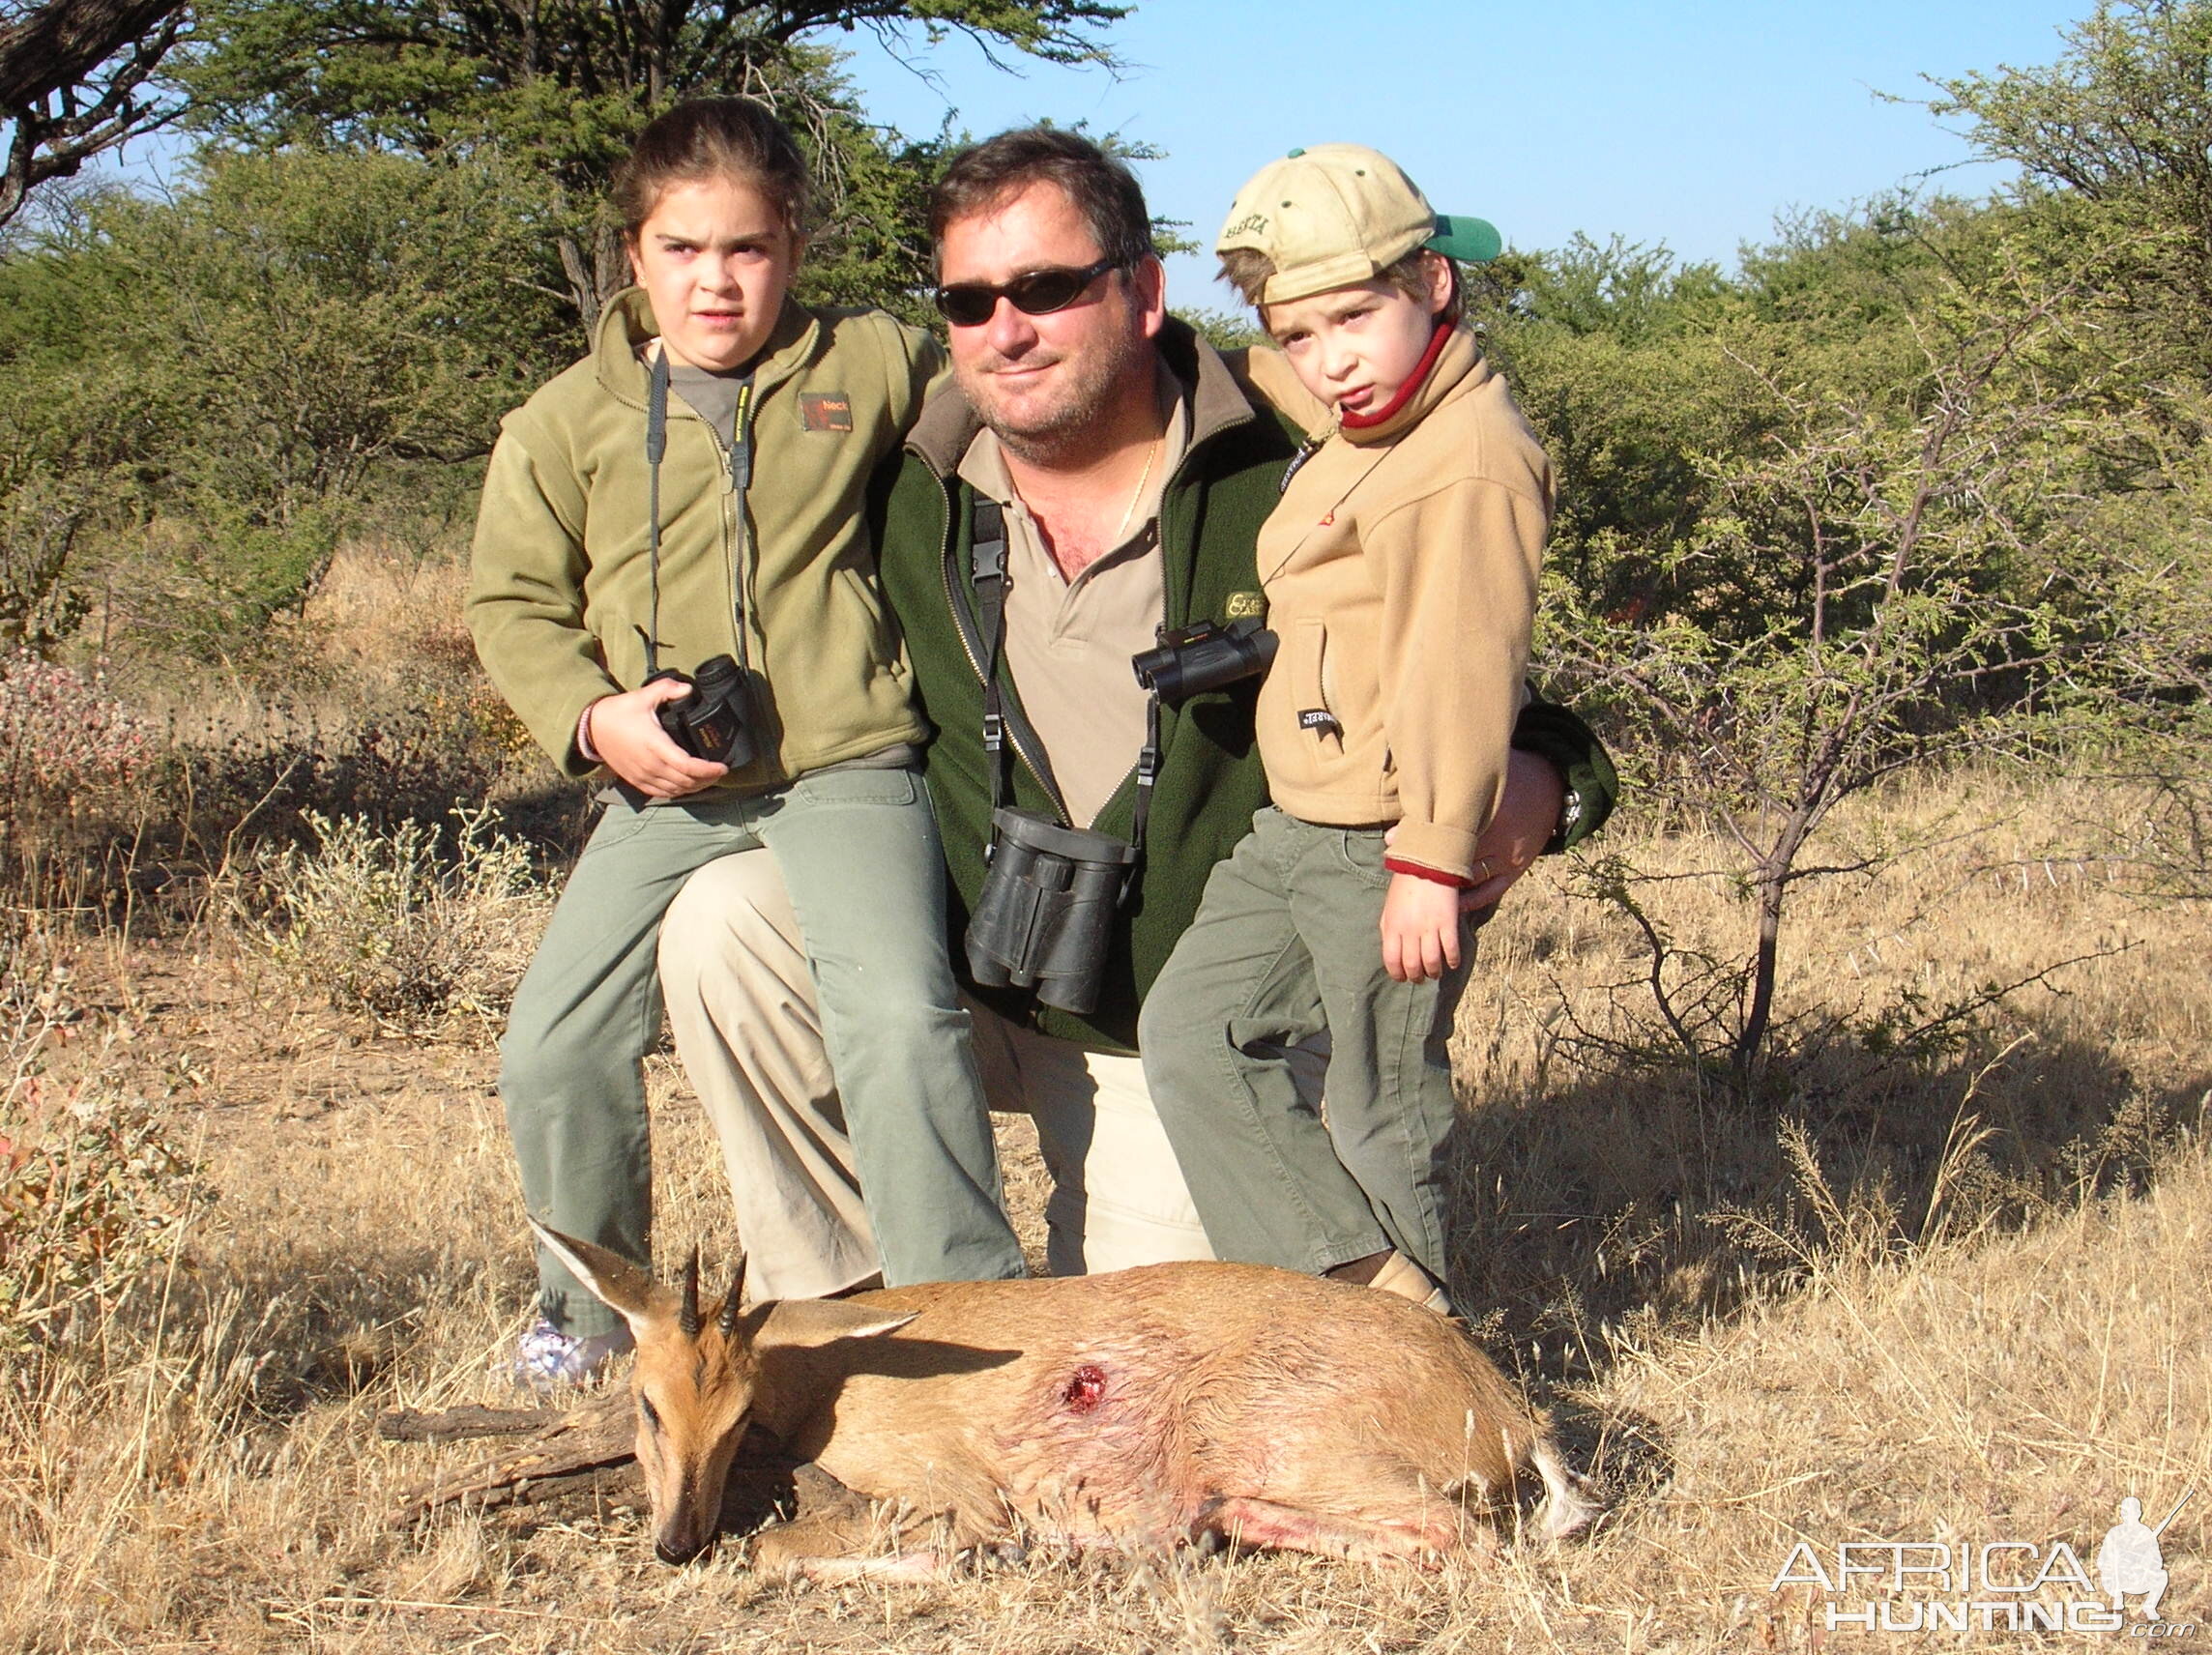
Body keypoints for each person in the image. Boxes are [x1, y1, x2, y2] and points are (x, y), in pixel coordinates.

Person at [655, 129, 1615, 1301]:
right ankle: (845, 1324)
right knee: (724, 923)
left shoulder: (1295, 452)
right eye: (966, 300)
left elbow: (1471, 654)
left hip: (1168, 1007)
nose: (1005, 328)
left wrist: (1548, 780)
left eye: (1048, 288)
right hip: (963, 963)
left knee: (1166, 1364)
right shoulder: (901, 480)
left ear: (1143, 292)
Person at [465, 97, 1022, 1388]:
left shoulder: (869, 362)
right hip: (664, 783)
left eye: (748, 249)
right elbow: (513, 603)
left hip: (845, 766)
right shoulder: (564, 420)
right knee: (553, 1046)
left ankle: (970, 1311)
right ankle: (586, 1316)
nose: (716, 281)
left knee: (895, 1014)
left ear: (794, 248)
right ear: (633, 255)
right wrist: (597, 720)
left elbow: (1015, 364)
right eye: (683, 250)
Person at [1141, 144, 1547, 1315]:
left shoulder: (1462, 459)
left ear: (1433, 284)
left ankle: (1429, 1399)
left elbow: (1458, 668)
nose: (1330, 362)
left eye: (1355, 317)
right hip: (1298, 825)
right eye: (1300, 331)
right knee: (1192, 1036)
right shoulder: (1367, 411)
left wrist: (1428, 859)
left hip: (1386, 835)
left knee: (1380, 1112)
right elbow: (1283, 372)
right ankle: (1365, 1307)